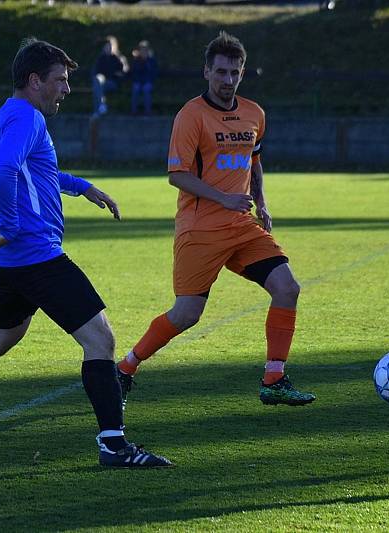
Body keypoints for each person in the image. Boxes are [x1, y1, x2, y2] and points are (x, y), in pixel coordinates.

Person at [0, 38, 172, 469]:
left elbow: (39, 170)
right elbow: (1, 170)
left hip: (9, 259)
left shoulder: (5, 116)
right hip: (34, 255)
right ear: (35, 81)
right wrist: (10, 226)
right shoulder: (28, 118)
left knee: (2, 336)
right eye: (60, 80)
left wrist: (83, 187)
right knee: (100, 340)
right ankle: (114, 445)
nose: (66, 89)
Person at [116, 31, 316, 410]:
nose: (227, 80)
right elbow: (176, 174)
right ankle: (126, 367)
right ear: (207, 71)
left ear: (243, 73)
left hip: (241, 226)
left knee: (287, 288)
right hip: (200, 229)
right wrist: (224, 197)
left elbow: (253, 161)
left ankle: (274, 379)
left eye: (235, 73)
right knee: (187, 314)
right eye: (221, 72)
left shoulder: (254, 113)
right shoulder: (191, 115)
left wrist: (262, 202)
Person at [91, 35, 128, 116]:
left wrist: (114, 74)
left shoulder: (119, 58)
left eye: (110, 46)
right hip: (102, 82)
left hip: (113, 83)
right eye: (107, 46)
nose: (109, 48)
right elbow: (96, 72)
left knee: (96, 87)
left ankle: (97, 110)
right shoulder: (101, 58)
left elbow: (123, 72)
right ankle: (101, 107)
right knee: (97, 81)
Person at [130, 40, 157, 115]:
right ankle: (134, 111)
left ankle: (147, 111)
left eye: (145, 49)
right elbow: (134, 72)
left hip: (148, 81)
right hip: (138, 81)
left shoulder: (151, 60)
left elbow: (153, 73)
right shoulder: (136, 60)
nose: (143, 51)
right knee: (136, 88)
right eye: (141, 49)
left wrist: (148, 81)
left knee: (146, 89)